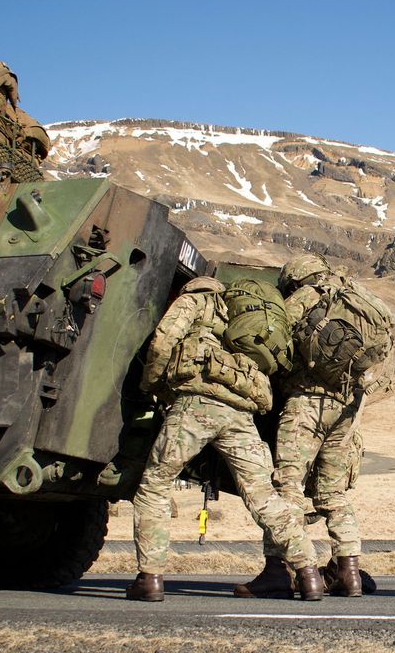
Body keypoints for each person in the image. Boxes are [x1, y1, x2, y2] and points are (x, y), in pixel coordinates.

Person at [129, 277, 322, 602]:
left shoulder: (199, 299)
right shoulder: (245, 315)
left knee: (156, 485)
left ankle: (149, 579)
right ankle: (309, 573)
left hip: (196, 403)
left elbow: (164, 340)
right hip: (240, 410)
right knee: (263, 496)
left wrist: (151, 385)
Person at [236, 254, 370, 599]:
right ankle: (348, 571)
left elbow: (275, 337)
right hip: (349, 406)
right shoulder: (356, 298)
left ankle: (280, 570)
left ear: (296, 279)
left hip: (308, 402)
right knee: (332, 493)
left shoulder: (307, 296)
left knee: (288, 485)